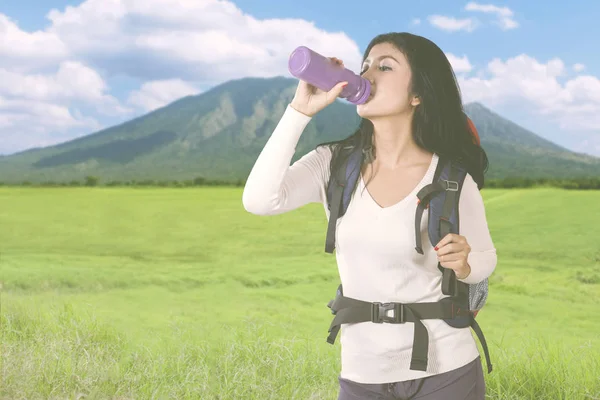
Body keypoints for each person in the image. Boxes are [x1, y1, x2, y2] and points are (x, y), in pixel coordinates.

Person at [242, 32, 497, 400]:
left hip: (447, 369)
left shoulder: (452, 179)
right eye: (365, 65)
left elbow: (486, 259)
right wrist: (299, 111)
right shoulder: (334, 164)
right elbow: (259, 200)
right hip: (363, 372)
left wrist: (466, 263)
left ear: (417, 94)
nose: (367, 73)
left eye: (385, 66)